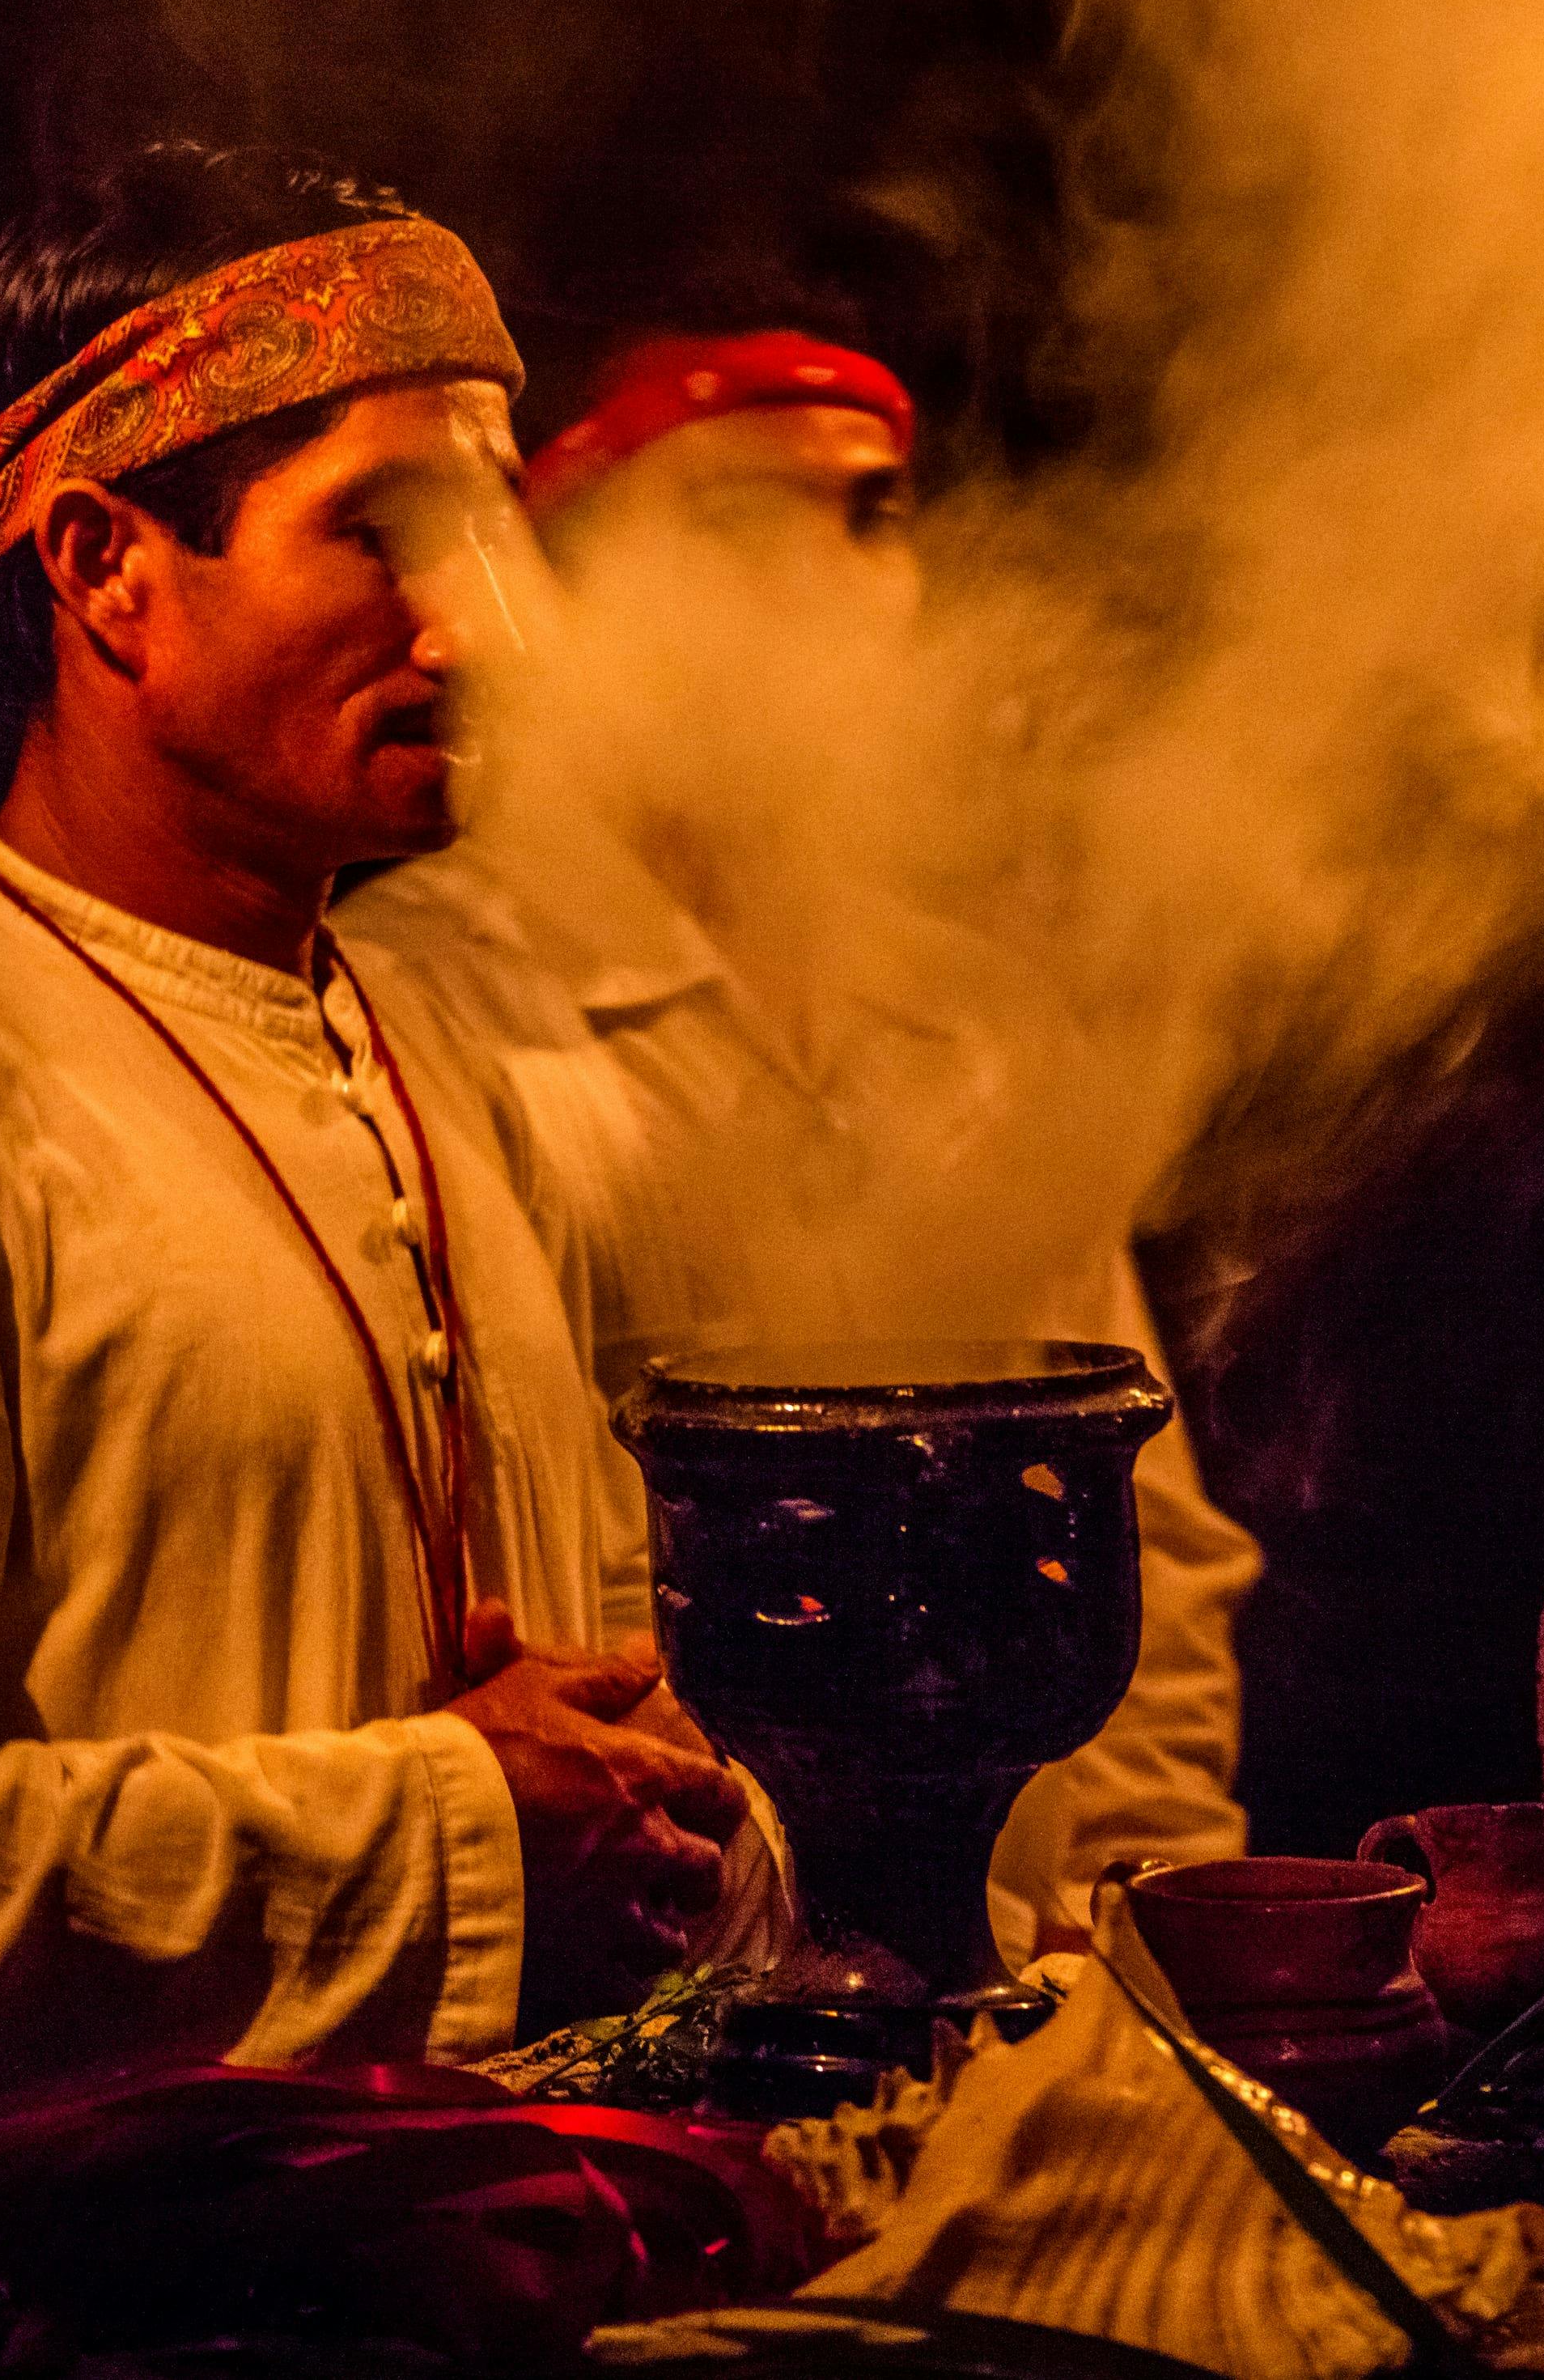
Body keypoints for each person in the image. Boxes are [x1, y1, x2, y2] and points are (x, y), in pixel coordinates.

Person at [0, 147, 771, 2174]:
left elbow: (605, 1714)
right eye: (383, 532)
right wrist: (454, 1831)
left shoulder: (448, 1060)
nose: (495, 636)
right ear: (107, 563)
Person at [338, 300, 1261, 1966]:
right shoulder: (430, 1000)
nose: (826, 578)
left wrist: (1140, 1909)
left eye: (872, 514)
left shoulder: (971, 1024)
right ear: (580, 587)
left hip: (1022, 1963)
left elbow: (1141, 1522)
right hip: (656, 1976)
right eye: (738, 523)